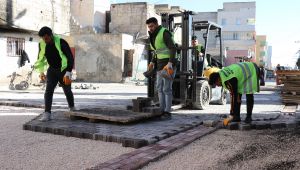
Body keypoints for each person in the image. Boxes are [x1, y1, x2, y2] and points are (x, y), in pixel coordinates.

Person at [34, 26, 75, 121]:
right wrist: (41, 72)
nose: (45, 40)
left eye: (46, 38)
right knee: (48, 91)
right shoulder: (42, 44)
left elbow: (70, 58)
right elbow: (40, 58)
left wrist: (68, 72)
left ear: (51, 35)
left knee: (67, 91)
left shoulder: (61, 42)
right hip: (52, 70)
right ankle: (47, 113)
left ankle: (72, 108)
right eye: (43, 39)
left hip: (63, 70)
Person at [146, 17, 177, 118]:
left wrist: (170, 63)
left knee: (166, 88)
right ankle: (162, 110)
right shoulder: (153, 36)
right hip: (159, 66)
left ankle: (167, 112)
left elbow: (173, 48)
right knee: (159, 88)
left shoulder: (164, 32)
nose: (150, 28)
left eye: (151, 26)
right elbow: (157, 51)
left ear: (156, 24)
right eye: (149, 27)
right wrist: (152, 62)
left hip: (168, 66)